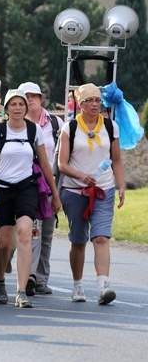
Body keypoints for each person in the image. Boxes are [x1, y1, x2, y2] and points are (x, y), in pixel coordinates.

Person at [0, 89, 61, 309]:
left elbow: (45, 165)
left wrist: (55, 195)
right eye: (13, 104)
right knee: (4, 243)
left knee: (26, 233)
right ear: (6, 108)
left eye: (21, 104)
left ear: (26, 108)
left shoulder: (34, 130)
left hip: (27, 187)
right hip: (2, 188)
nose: (17, 108)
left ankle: (21, 291)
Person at [57, 83, 124, 305]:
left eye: (97, 100)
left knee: (101, 237)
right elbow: (62, 164)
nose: (94, 104)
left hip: (103, 190)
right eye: (89, 101)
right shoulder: (70, 128)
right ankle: (77, 286)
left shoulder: (111, 127)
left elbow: (116, 159)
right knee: (78, 240)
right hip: (75, 191)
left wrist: (121, 186)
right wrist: (81, 176)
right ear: (80, 104)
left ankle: (103, 286)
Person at [19, 82, 64, 296]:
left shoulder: (56, 123)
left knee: (47, 233)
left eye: (33, 96)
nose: (29, 99)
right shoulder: (17, 124)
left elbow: (61, 156)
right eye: (25, 96)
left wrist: (58, 191)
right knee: (32, 232)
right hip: (27, 185)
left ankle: (41, 279)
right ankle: (29, 276)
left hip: (51, 184)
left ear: (41, 98)